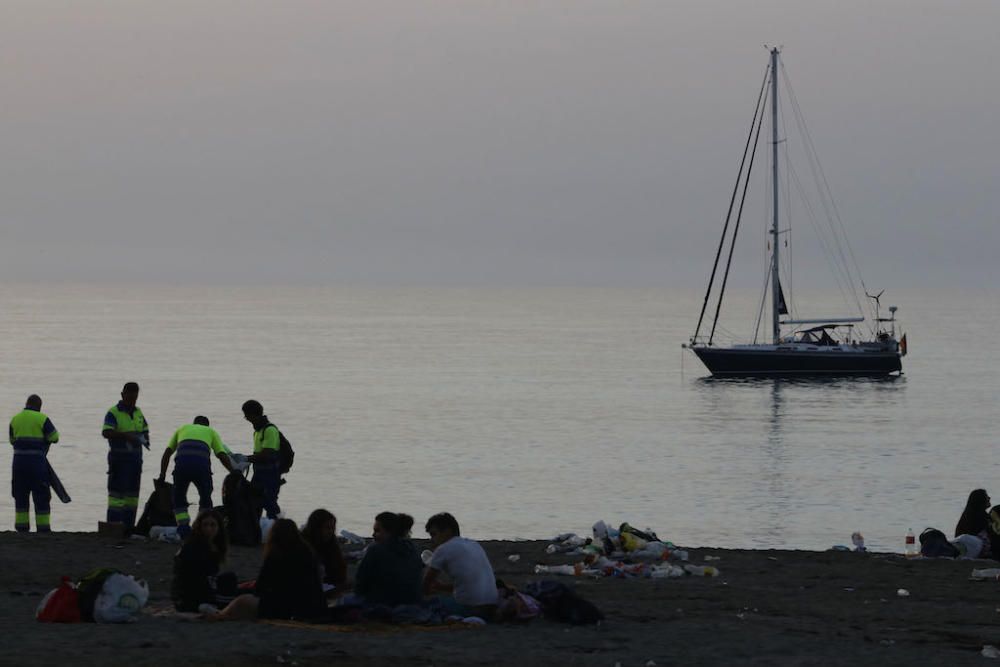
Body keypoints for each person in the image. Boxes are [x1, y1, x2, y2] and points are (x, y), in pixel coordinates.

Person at [210, 518, 326, 621]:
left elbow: (260, 588)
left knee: (242, 600)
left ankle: (220, 615)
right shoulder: (307, 553)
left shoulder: (276, 555)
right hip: (312, 606)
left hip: (286, 608)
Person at [158, 416, 236, 537]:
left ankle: (183, 528)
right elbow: (221, 455)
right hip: (201, 468)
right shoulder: (211, 432)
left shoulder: (182, 429)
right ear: (207, 426)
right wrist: (233, 471)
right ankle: (202, 528)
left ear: (194, 423)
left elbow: (167, 453)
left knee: (179, 497)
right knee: (205, 497)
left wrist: (162, 475)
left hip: (181, 467)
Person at [423, 512, 498, 618]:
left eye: (434, 534)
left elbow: (426, 584)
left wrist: (426, 591)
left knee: (429, 603)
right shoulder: (474, 544)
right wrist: (442, 587)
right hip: (491, 607)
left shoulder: (443, 549)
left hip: (469, 608)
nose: (432, 540)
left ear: (447, 531)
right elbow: (469, 584)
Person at [9, 395, 59, 532]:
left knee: (20, 496)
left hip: (18, 465)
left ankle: (21, 529)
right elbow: (55, 437)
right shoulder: (42, 418)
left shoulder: (15, 419)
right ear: (39, 406)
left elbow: (12, 440)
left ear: (26, 404)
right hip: (37, 465)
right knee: (41, 496)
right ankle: (43, 529)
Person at [102, 382, 150, 528]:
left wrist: (145, 438)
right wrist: (125, 436)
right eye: (129, 397)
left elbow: (145, 429)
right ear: (123, 395)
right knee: (116, 497)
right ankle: (114, 527)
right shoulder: (113, 412)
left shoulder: (138, 412)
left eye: (135, 397)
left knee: (132, 497)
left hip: (135, 461)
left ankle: (129, 528)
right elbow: (106, 432)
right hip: (119, 460)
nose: (132, 400)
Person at [352, 512, 423, 607]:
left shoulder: (375, 549)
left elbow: (360, 583)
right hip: (414, 602)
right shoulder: (414, 548)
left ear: (390, 532)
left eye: (377, 531)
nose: (373, 534)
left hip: (383, 604)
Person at [171, 510, 235, 612]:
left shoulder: (213, 546)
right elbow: (196, 578)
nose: (208, 529)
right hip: (192, 594)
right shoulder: (194, 547)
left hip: (198, 591)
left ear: (219, 528)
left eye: (212, 525)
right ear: (199, 527)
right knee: (231, 580)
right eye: (205, 525)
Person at [241, 400, 282, 519]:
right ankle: (257, 530)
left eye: (247, 415)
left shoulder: (270, 430)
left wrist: (245, 459)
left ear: (254, 414)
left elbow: (267, 455)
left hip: (271, 475)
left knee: (270, 503)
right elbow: (259, 455)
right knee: (253, 502)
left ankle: (277, 527)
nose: (246, 419)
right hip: (258, 473)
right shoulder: (257, 432)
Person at [302, 509, 348, 590]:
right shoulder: (302, 546)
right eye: (328, 528)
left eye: (333, 528)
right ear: (316, 528)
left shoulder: (331, 546)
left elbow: (340, 573)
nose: (331, 532)